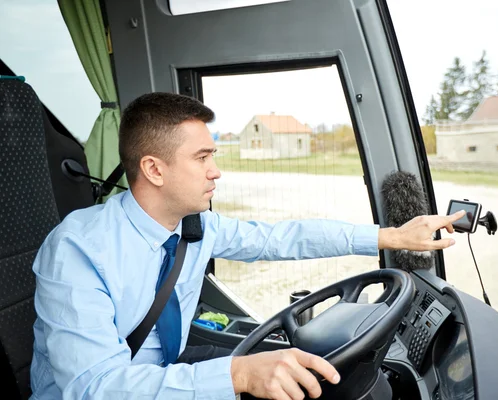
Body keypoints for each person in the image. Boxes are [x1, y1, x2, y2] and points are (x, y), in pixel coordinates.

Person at [30, 92, 465, 400]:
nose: (216, 172)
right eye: (203, 158)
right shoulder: (77, 250)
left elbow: (283, 238)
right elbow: (93, 388)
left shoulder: (196, 226)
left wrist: (390, 236)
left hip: (168, 371)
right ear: (154, 170)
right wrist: (235, 375)